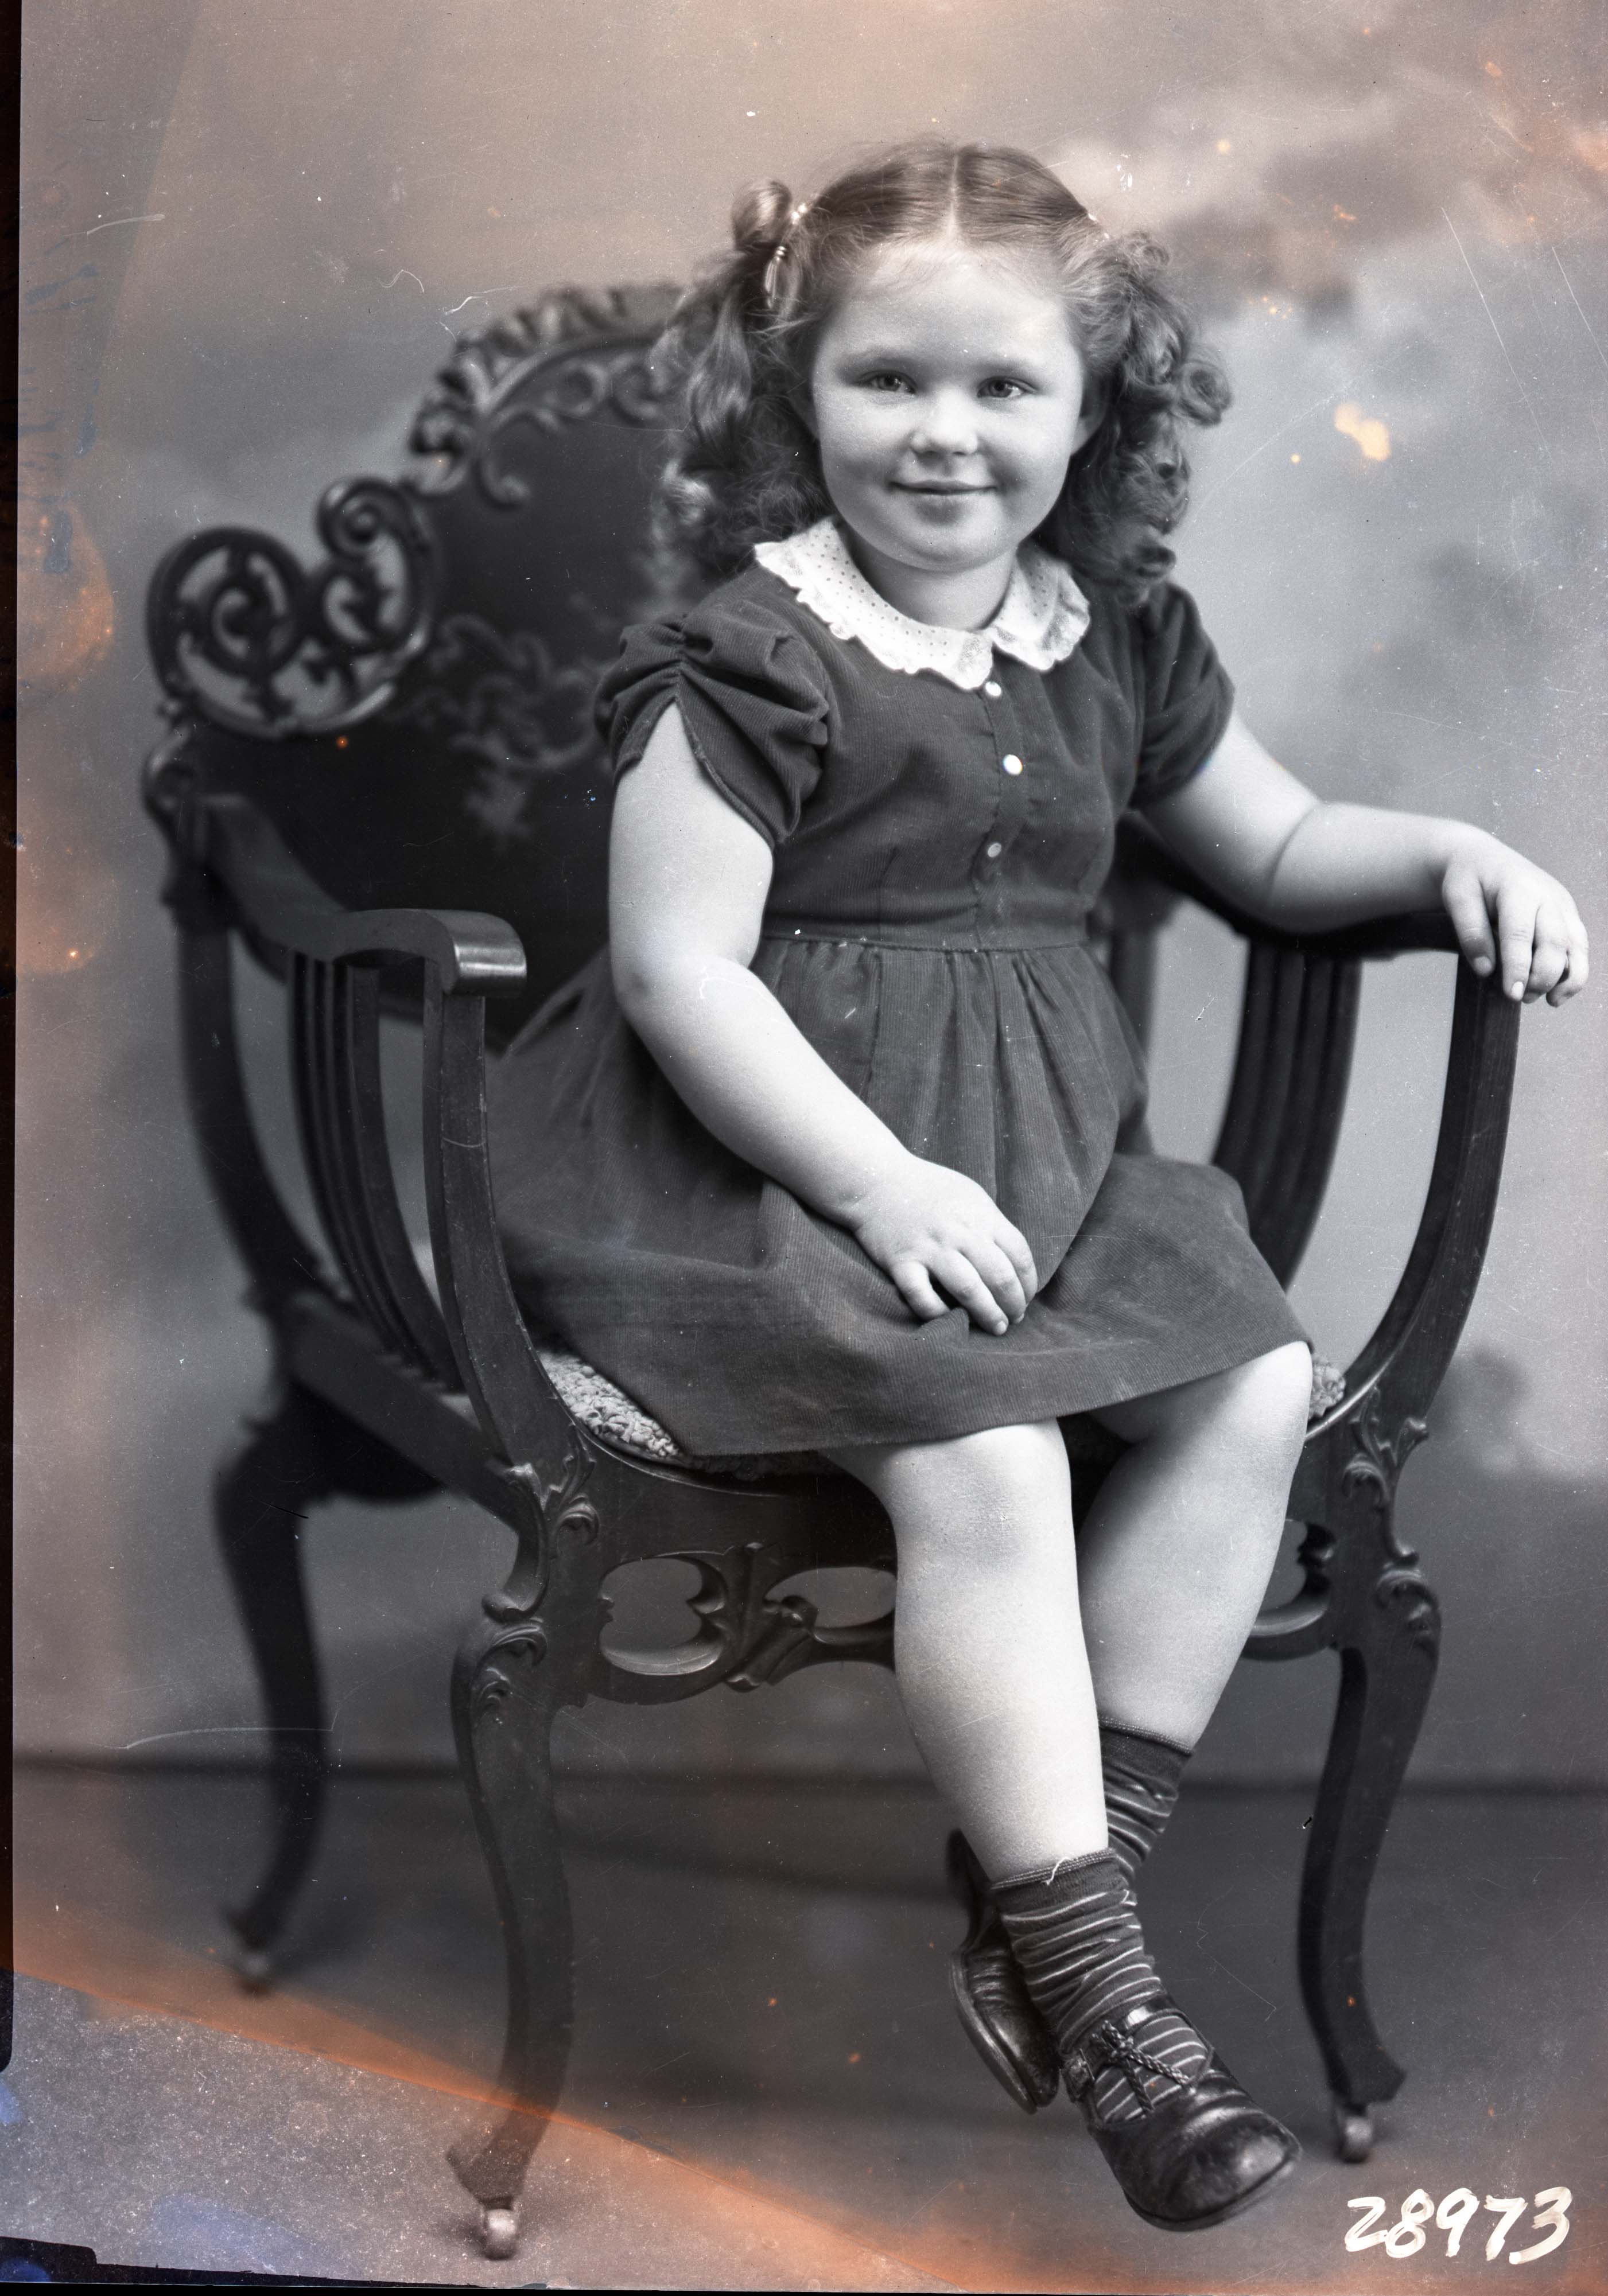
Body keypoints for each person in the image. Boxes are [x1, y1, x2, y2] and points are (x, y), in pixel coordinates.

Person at [488, 140, 1588, 2233]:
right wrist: (878, 1182)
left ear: (1094, 412)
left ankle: (1050, 1927)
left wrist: (1456, 850)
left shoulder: (1117, 637)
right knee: (984, 1452)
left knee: (1250, 1379)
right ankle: (1118, 2014)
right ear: (800, 391)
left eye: (1004, 387)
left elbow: (1276, 850)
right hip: (757, 1161)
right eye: (888, 379)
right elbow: (676, 971)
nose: (946, 433)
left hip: (1038, 1171)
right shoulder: (748, 655)